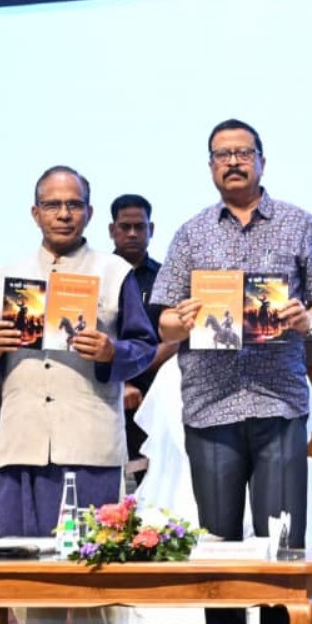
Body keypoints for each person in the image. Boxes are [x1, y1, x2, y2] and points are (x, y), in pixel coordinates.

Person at [150, 119, 312, 624]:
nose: (233, 162)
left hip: (278, 399)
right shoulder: (189, 235)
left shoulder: (302, 225)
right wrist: (178, 321)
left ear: (261, 159)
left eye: (243, 152)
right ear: (210, 165)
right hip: (211, 403)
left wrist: (308, 317)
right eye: (221, 154)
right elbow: (162, 321)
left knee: (281, 536)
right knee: (219, 537)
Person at [0, 165, 157, 624]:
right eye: (53, 205)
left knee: (96, 556)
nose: (63, 213)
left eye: (73, 204)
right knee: (25, 554)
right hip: (23, 436)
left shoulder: (115, 273)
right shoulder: (10, 275)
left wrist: (110, 350)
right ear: (36, 213)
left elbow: (144, 346)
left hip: (88, 436)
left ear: (90, 213)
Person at [107, 193, 180, 470]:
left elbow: (174, 340)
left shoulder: (167, 278)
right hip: (108, 393)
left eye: (140, 226)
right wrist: (122, 382)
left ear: (152, 229)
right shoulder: (98, 276)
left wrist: (135, 369)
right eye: (125, 227)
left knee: (153, 485)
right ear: (112, 230)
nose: (133, 233)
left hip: (158, 395)